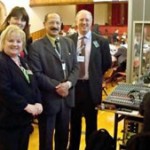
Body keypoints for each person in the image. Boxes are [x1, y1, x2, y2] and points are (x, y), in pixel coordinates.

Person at [28, 12, 79, 150]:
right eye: (51, 22)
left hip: (66, 99)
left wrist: (68, 84)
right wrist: (58, 87)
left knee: (63, 138)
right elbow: (37, 74)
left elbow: (75, 68)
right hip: (48, 100)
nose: (55, 26)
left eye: (57, 23)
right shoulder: (36, 47)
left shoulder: (69, 43)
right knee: (46, 141)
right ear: (44, 24)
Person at [68, 10, 112, 150]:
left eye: (87, 20)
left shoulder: (101, 41)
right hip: (74, 88)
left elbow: (107, 63)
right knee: (74, 123)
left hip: (91, 88)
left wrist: (94, 75)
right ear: (76, 22)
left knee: (91, 125)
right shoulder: (68, 41)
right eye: (81, 20)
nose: (84, 23)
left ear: (91, 22)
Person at [0, 25, 43, 150]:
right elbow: (4, 90)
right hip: (8, 122)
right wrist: (26, 106)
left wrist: (38, 102)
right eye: (11, 41)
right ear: (3, 42)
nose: (15, 44)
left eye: (18, 41)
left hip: (24, 121)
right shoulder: (2, 61)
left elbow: (33, 84)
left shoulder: (23, 61)